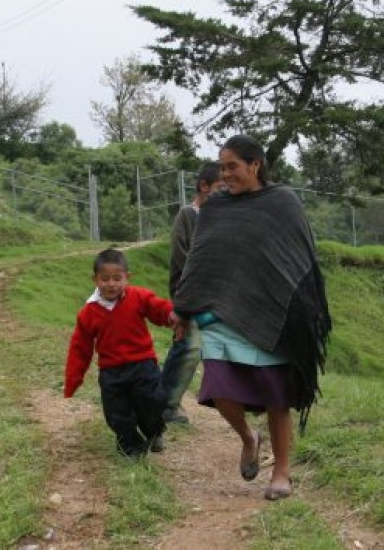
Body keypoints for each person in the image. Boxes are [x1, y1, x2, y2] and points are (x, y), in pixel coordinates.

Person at [173, 134, 331, 501]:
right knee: (217, 388)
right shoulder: (214, 208)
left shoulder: (283, 203)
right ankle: (247, 435)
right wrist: (182, 308)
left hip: (272, 315)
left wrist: (302, 312)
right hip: (220, 314)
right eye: (222, 167)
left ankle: (281, 473)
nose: (225, 175)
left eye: (233, 167)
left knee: (277, 398)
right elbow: (200, 260)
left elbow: (299, 260)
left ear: (255, 165)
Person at [65, 248, 177, 458]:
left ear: (127, 278)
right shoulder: (89, 312)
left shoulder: (138, 296)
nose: (111, 284)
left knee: (152, 403)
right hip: (111, 372)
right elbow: (80, 347)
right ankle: (131, 446)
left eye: (117, 278)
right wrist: (73, 379)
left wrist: (172, 316)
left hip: (143, 365)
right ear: (95, 279)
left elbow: (158, 308)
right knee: (117, 413)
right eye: (105, 279)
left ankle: (154, 432)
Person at [162, 161, 224, 425]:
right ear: (204, 186)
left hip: (217, 298)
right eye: (220, 187)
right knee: (188, 348)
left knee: (205, 349)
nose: (225, 193)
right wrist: (184, 301)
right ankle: (165, 404)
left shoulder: (223, 217)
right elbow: (181, 260)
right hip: (191, 296)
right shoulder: (189, 216)